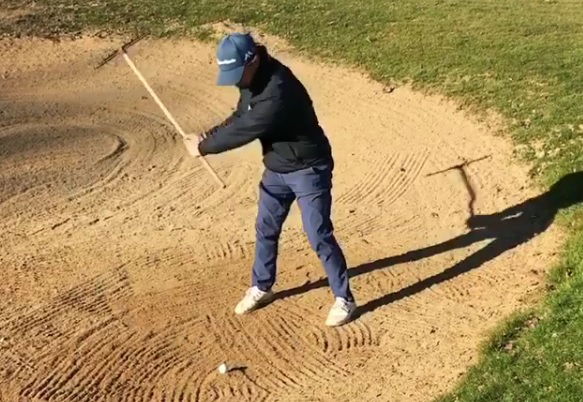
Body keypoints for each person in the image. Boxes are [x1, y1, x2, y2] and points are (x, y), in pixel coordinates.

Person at [183, 32, 355, 327]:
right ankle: (262, 286)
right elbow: (240, 115)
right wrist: (206, 135)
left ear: (254, 60)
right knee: (266, 227)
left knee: (318, 234)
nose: (236, 81)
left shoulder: (278, 89)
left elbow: (248, 128)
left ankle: (345, 298)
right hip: (277, 168)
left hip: (309, 170)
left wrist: (203, 148)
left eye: (237, 72)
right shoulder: (251, 81)